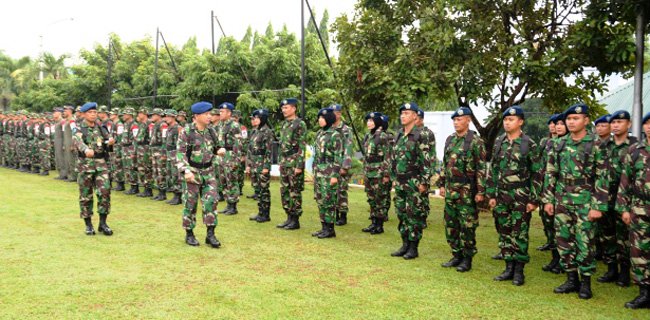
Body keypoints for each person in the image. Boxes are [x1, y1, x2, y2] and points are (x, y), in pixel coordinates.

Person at [543, 103, 603, 300]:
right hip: (562, 198)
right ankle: (571, 279)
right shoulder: (559, 144)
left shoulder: (595, 144)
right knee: (563, 239)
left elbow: (603, 176)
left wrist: (597, 205)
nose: (571, 122)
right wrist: (548, 200)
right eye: (569, 119)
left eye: (575, 118)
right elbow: (551, 172)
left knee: (584, 241)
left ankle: (585, 282)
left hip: (586, 200)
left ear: (586, 120)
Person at [487, 106, 542, 286]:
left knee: (519, 232)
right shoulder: (499, 142)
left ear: (520, 122)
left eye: (511, 120)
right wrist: (491, 193)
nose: (507, 123)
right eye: (505, 120)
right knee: (504, 231)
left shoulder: (529, 144)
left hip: (521, 195)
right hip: (502, 194)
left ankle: (519, 271)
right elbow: (494, 169)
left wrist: (534, 199)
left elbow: (537, 173)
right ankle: (508, 267)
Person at [438, 106, 487, 271]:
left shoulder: (475, 141)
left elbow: (481, 168)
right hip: (451, 188)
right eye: (454, 120)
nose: (456, 122)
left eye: (459, 119)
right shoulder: (450, 139)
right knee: (451, 224)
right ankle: (456, 254)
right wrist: (441, 183)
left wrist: (481, 191)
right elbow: (445, 164)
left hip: (466, 190)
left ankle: (467, 258)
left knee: (467, 225)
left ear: (468, 120)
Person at [593, 110, 637, 287]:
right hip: (605, 196)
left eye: (620, 121)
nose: (616, 125)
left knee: (624, 236)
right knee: (607, 235)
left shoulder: (635, 147)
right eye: (614, 122)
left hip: (626, 198)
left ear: (629, 124)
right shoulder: (604, 146)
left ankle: (625, 272)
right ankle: (611, 269)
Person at [390, 102, 433, 260]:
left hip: (414, 181)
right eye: (402, 113)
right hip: (401, 182)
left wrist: (424, 182)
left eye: (407, 113)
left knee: (414, 214)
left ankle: (413, 247)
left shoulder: (421, 135)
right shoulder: (399, 135)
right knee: (401, 213)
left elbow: (426, 161)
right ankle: (404, 244)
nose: (403, 115)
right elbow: (394, 158)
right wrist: (394, 177)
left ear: (415, 116)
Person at [176, 101, 221, 248]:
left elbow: (215, 147)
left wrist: (219, 151)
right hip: (192, 171)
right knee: (190, 203)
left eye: (210, 114)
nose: (210, 117)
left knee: (212, 201)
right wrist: (186, 170)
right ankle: (189, 234)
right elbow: (180, 153)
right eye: (207, 114)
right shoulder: (187, 132)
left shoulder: (211, 131)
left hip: (209, 171)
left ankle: (210, 234)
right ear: (197, 116)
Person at [617, 112, 650, 309]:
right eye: (647, 123)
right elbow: (625, 181)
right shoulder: (635, 150)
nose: (649, 127)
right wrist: (624, 208)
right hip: (639, 207)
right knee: (639, 251)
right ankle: (644, 292)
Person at [72, 102, 115, 236]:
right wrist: (85, 149)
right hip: (85, 166)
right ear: (84, 114)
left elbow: (108, 143)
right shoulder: (79, 129)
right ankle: (88, 224)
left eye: (95, 112)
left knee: (104, 192)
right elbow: (77, 141)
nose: (93, 114)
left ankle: (103, 223)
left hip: (101, 166)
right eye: (90, 112)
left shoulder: (102, 128)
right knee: (86, 195)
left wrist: (111, 142)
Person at [311, 107, 344, 238]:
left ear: (329, 119)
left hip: (329, 172)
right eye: (319, 118)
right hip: (319, 171)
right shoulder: (319, 134)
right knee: (320, 200)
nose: (320, 120)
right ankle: (323, 226)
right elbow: (316, 154)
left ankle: (330, 229)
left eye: (323, 118)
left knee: (328, 200)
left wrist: (335, 175)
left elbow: (338, 156)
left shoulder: (335, 135)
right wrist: (314, 172)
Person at [276, 98, 307, 230]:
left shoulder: (300, 124)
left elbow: (302, 146)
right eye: (283, 108)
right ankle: (288, 217)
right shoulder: (284, 124)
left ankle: (295, 219)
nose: (283, 110)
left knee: (295, 191)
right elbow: (282, 145)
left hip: (294, 161)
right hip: (284, 162)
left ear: (294, 108)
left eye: (286, 108)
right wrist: (280, 161)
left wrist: (299, 165)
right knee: (285, 191)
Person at [362, 112, 391, 234]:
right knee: (371, 198)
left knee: (380, 198)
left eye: (371, 121)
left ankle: (379, 225)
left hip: (379, 171)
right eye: (368, 121)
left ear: (377, 122)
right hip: (369, 171)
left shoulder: (382, 136)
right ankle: (373, 222)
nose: (369, 123)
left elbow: (388, 156)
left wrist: (386, 174)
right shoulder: (368, 136)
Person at [246, 109, 274, 223]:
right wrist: (248, 165)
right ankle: (260, 212)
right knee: (258, 190)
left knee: (264, 190)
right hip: (254, 164)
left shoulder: (266, 132)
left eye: (256, 118)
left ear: (262, 119)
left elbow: (269, 151)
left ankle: (265, 214)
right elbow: (250, 149)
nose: (254, 120)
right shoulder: (255, 131)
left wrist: (266, 167)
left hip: (262, 164)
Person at [216, 102, 243, 215]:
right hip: (222, 156)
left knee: (231, 181)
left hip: (231, 155)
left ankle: (233, 206)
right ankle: (228, 203)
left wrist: (236, 159)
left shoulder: (234, 125)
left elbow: (238, 143)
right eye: (220, 111)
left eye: (222, 112)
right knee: (224, 181)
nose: (220, 113)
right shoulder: (221, 125)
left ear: (229, 113)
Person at [330, 104, 354, 226]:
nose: (333, 114)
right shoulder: (329, 128)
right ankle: (334, 214)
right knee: (331, 190)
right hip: (330, 165)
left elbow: (348, 148)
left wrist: (345, 166)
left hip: (341, 164)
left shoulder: (346, 129)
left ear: (339, 114)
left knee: (341, 190)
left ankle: (343, 215)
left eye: (335, 112)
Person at [150, 108, 169, 201]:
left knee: (161, 171)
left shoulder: (163, 125)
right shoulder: (155, 125)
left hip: (160, 150)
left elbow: (165, 139)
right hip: (154, 150)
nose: (152, 116)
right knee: (156, 171)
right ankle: (159, 191)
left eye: (153, 115)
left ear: (158, 115)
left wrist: (164, 153)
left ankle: (163, 192)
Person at [164, 109, 182, 205]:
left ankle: (178, 196)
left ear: (173, 117)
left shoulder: (178, 128)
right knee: (171, 175)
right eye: (166, 116)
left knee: (176, 175)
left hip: (176, 153)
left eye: (168, 116)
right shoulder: (169, 128)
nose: (166, 118)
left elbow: (182, 143)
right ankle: (175, 195)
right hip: (169, 153)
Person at [134, 107, 153, 198]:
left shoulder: (149, 123)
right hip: (140, 148)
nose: (138, 114)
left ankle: (148, 189)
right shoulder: (141, 124)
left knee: (146, 169)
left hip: (146, 148)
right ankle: (145, 188)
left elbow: (150, 138)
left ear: (144, 114)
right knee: (141, 169)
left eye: (140, 113)